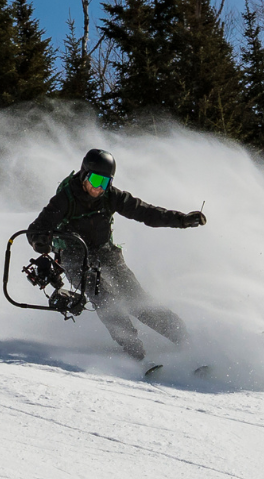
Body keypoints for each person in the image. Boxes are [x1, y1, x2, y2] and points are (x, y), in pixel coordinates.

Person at [26, 149, 205, 365]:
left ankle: (184, 339)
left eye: (105, 181)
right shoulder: (66, 197)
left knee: (135, 298)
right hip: (74, 255)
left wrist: (182, 220)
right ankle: (134, 351)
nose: (98, 187)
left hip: (105, 251)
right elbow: (37, 228)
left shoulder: (111, 196)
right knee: (104, 297)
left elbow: (145, 212)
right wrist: (40, 241)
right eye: (95, 179)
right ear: (84, 175)